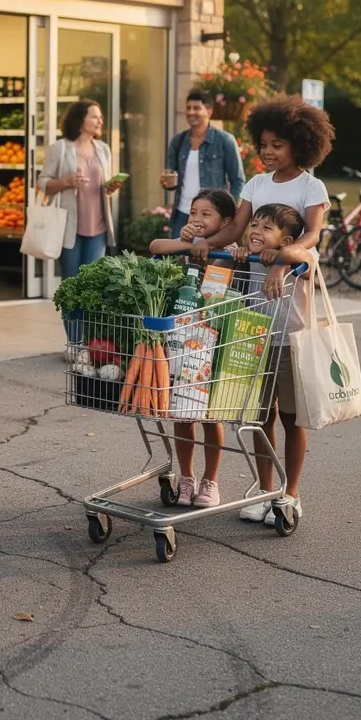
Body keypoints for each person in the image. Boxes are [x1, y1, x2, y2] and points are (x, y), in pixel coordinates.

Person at [191, 95, 334, 523]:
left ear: (301, 145)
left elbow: (312, 236)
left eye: (278, 144)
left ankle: (289, 494)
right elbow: (235, 228)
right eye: (265, 144)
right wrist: (205, 243)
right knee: (258, 412)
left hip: (290, 314)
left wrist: (286, 253)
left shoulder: (312, 187)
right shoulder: (256, 183)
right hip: (253, 318)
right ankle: (264, 487)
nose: (269, 152)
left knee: (291, 415)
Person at [150, 188, 237, 508]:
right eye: (193, 213)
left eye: (206, 214)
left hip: (216, 340)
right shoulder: (186, 244)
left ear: (226, 222)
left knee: (211, 416)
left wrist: (209, 247)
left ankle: (210, 481)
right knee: (183, 414)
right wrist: (187, 242)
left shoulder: (231, 249)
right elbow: (156, 247)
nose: (197, 219)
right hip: (184, 340)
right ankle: (186, 477)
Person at [38, 99, 122, 338]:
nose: (100, 121)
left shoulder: (103, 149)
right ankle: (74, 342)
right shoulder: (60, 148)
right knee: (72, 287)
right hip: (70, 229)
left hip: (98, 227)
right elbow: (43, 182)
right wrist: (66, 182)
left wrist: (112, 187)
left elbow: (104, 186)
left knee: (92, 287)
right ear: (80, 120)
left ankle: (89, 340)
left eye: (100, 117)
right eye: (95, 116)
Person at [160, 89, 244, 239]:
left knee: (211, 260)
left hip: (212, 218)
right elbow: (171, 178)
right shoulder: (178, 141)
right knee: (178, 261)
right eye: (188, 108)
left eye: (196, 108)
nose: (191, 112)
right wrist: (167, 183)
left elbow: (238, 180)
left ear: (209, 111)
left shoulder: (225, 140)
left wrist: (228, 211)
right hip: (182, 215)